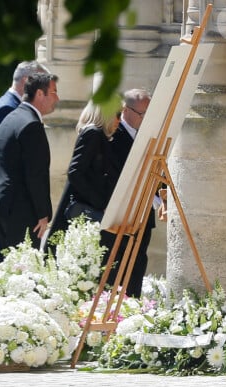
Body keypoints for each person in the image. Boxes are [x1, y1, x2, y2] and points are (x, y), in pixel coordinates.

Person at [0, 61, 49, 270]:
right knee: (5, 265)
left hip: (8, 197)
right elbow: (6, 159)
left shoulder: (11, 107)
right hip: (12, 199)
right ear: (29, 82)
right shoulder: (9, 108)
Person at [0, 72, 59, 252]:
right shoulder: (31, 124)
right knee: (21, 273)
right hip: (21, 211)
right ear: (40, 94)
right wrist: (43, 214)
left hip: (1, 205)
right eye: (54, 92)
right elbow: (35, 174)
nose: (57, 98)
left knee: (1, 269)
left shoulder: (10, 119)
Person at [101, 88, 154, 298]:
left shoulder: (150, 135)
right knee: (115, 266)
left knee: (138, 262)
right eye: (142, 114)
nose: (145, 119)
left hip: (144, 213)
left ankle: (134, 307)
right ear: (126, 110)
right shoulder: (112, 135)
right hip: (119, 213)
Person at [49, 100, 122, 240]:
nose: (119, 120)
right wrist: (100, 203)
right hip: (86, 210)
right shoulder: (93, 133)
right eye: (118, 114)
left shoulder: (99, 136)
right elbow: (75, 173)